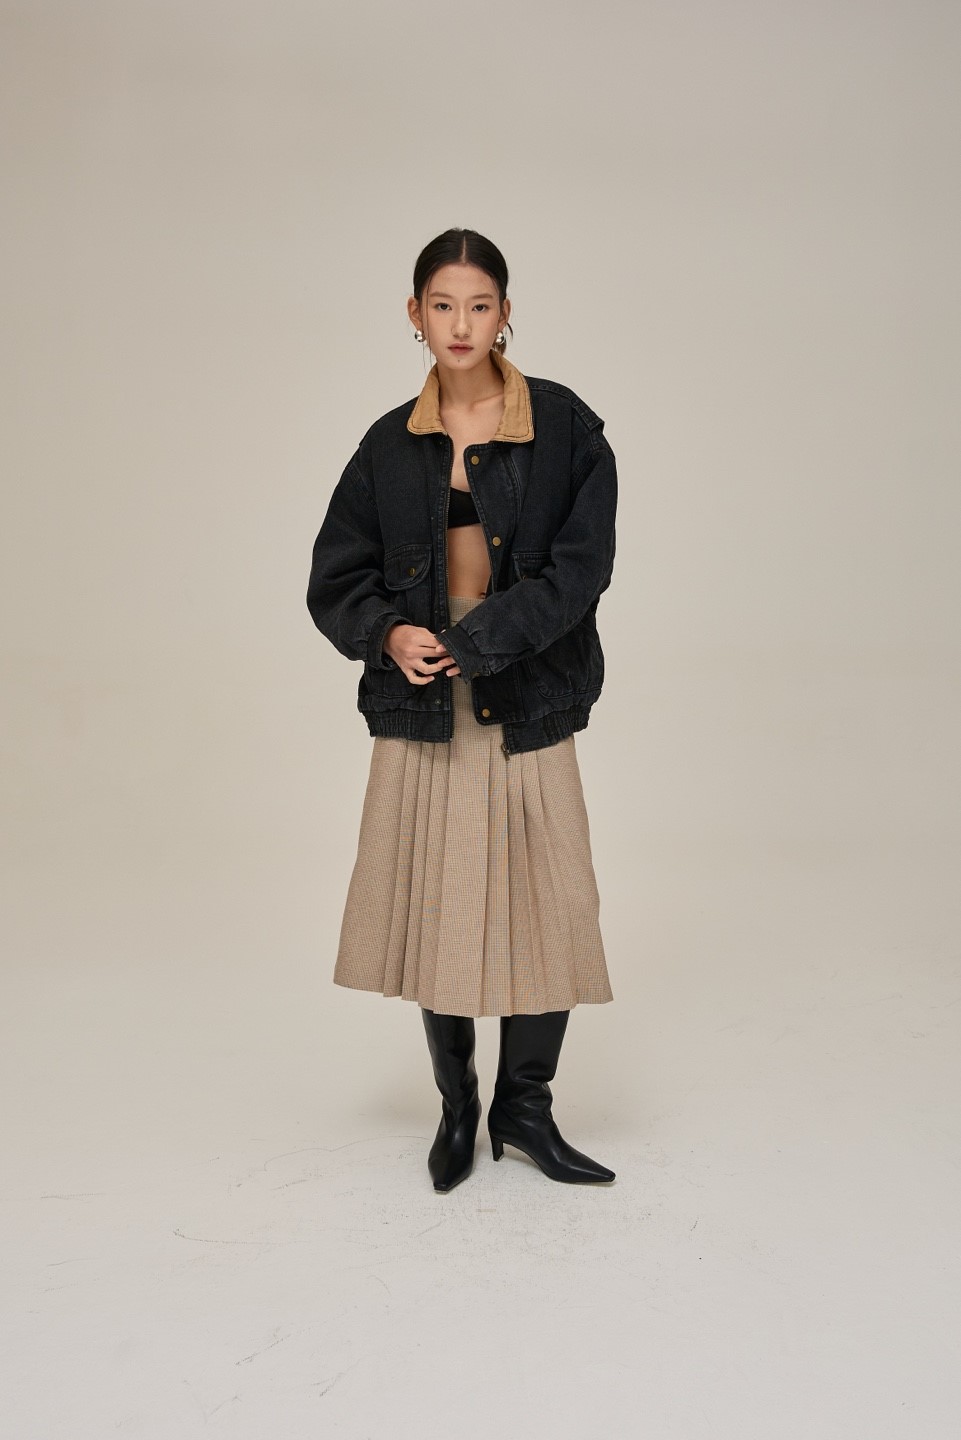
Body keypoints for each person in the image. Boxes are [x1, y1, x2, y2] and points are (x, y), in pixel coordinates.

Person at [306, 228, 618, 1192]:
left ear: (505, 313)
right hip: (426, 707)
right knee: (438, 906)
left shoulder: (565, 427)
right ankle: (456, 1109)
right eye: (442, 305)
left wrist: (479, 641)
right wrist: (388, 635)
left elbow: (580, 573)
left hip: (526, 695)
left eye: (479, 305)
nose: (460, 324)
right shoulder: (384, 446)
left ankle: (526, 1110)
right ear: (415, 314)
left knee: (551, 904)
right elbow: (335, 578)